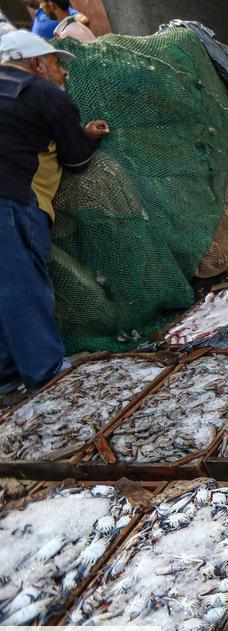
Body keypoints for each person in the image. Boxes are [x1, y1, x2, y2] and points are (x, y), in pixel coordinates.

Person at [0, 30, 109, 393]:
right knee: (22, 285)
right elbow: (76, 158)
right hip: (10, 199)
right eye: (58, 64)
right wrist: (85, 138)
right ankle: (47, 373)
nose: (64, 73)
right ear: (37, 65)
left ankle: (7, 375)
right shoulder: (43, 94)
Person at [19, 0, 86, 40]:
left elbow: (83, 20)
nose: (22, 1)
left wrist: (63, 38)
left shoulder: (53, 8)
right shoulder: (38, 12)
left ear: (51, 5)